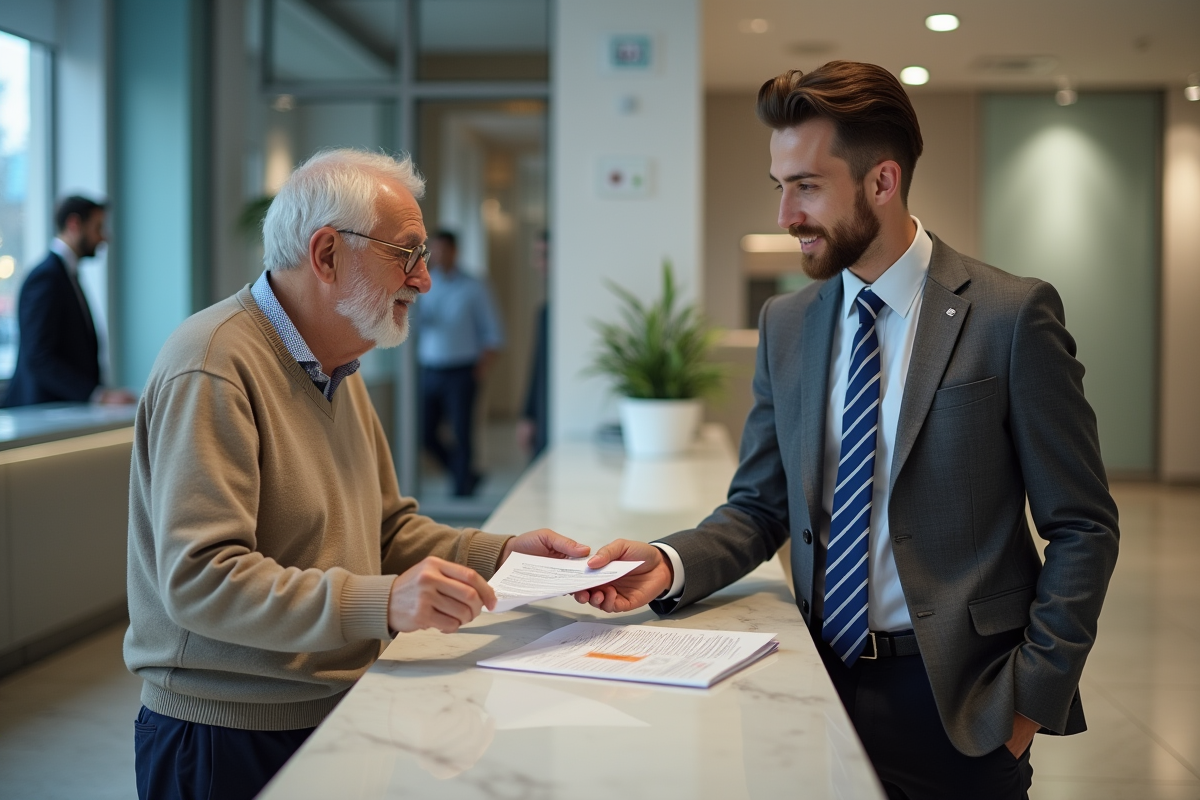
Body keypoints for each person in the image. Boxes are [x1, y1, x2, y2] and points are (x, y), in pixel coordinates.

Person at [575, 62, 1119, 800]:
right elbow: (759, 505)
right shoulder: (787, 324)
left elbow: (1084, 526)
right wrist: (668, 563)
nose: (785, 215)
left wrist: (1027, 701)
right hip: (810, 682)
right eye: (779, 186)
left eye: (806, 186)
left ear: (882, 181)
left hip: (961, 703)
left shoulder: (1009, 316)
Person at [124, 149, 588, 800]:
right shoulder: (212, 364)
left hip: (333, 707)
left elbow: (386, 530)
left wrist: (505, 554)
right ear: (326, 254)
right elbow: (200, 580)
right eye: (407, 254)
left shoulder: (338, 362)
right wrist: (384, 602)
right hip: (228, 733)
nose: (423, 279)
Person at [3, 195, 134, 407]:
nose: (104, 237)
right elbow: (39, 356)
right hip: (44, 413)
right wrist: (96, 395)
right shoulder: (46, 277)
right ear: (74, 224)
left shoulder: (64, 274)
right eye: (98, 227)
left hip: (61, 411)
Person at [416, 230, 504, 496]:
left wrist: (481, 368)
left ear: (455, 251)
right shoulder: (423, 285)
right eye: (434, 250)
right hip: (430, 370)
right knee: (424, 433)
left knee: (462, 433)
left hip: (462, 371)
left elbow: (493, 333)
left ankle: (462, 492)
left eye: (444, 250)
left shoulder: (474, 286)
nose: (438, 255)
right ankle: (465, 474)